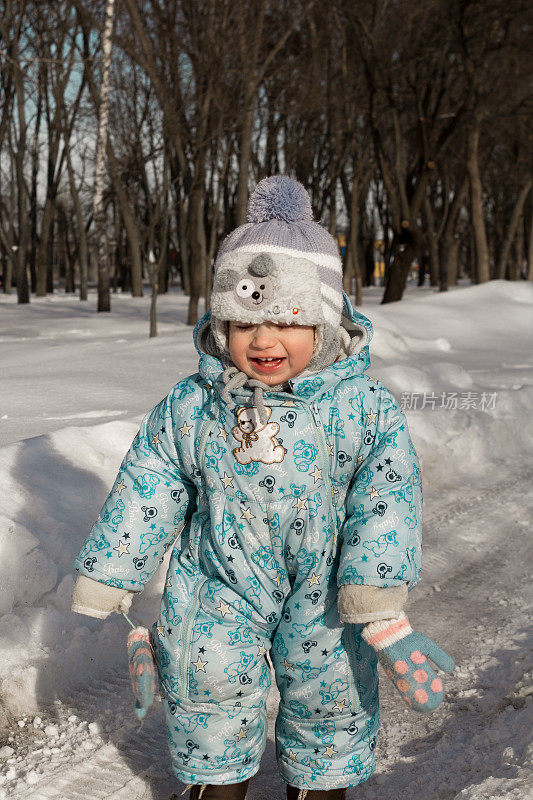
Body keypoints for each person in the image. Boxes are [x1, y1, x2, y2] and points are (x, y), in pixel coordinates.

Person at [72, 176, 454, 800]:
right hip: (218, 579)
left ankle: (321, 788)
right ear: (222, 324)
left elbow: (387, 494)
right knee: (210, 686)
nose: (264, 340)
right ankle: (217, 787)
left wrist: (374, 588)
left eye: (286, 321)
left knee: (328, 692)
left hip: (323, 585)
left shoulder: (361, 407)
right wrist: (114, 571)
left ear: (326, 327)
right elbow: (152, 482)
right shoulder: (193, 404)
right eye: (245, 322)